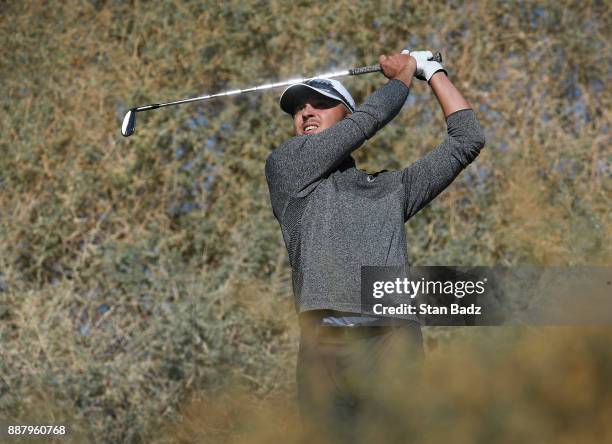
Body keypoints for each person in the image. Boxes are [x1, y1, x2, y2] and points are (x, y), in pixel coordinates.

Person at [264, 50, 486, 442]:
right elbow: (372, 118)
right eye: (299, 108)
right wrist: (403, 75)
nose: (307, 113)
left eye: (322, 103)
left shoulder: (390, 188)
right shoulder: (287, 169)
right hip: (324, 347)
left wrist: (432, 72)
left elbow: (467, 140)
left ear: (345, 115)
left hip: (393, 341)